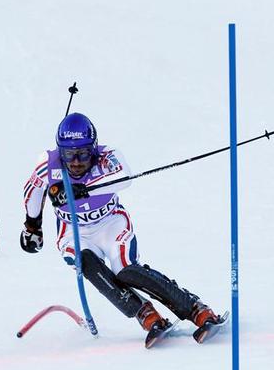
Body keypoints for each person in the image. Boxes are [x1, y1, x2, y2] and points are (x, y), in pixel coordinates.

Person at [20, 112, 220, 348]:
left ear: (93, 149)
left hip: (111, 224)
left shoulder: (108, 155)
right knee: (87, 263)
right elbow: (33, 190)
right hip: (73, 231)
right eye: (69, 154)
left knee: (125, 268)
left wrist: (81, 189)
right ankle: (146, 314)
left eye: (83, 154)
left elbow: (124, 177)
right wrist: (32, 226)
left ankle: (194, 308)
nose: (75, 162)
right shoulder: (47, 163)